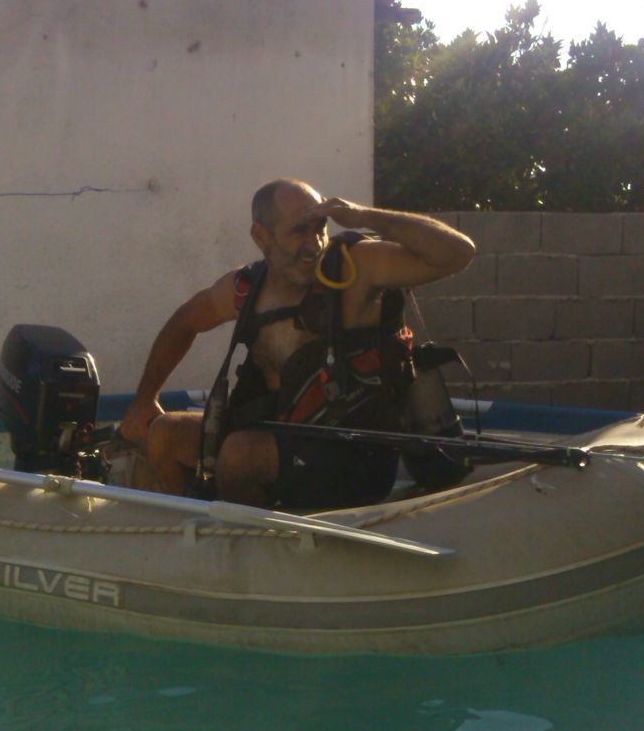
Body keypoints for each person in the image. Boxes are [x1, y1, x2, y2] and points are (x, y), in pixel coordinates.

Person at [118, 179, 475, 507]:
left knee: (239, 455)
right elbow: (184, 322)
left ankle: (245, 552)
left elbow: (457, 253)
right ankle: (202, 541)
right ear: (261, 236)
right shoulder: (246, 289)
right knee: (164, 436)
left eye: (320, 228)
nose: (314, 245)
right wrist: (145, 399)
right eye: (298, 231)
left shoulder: (354, 269)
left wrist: (366, 216)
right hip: (272, 443)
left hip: (352, 458)